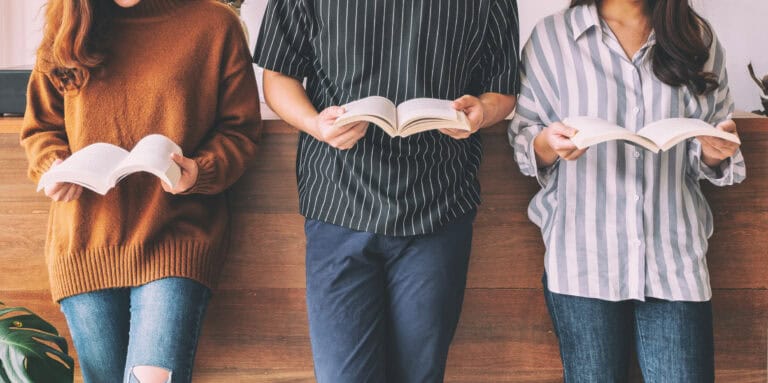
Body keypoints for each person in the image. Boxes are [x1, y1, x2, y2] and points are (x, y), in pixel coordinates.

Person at [254, 1, 519, 381]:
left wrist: (482, 111)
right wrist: (315, 124)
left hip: (439, 205)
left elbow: (501, 89)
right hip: (338, 200)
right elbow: (278, 76)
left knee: (420, 376)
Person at [20, 0, 260, 382]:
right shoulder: (68, 23)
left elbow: (240, 129)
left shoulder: (214, 24)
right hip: (85, 244)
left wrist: (199, 171)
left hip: (175, 239)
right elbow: (41, 128)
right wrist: (54, 166)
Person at [509, 0, 745, 381]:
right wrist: (547, 144)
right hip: (581, 261)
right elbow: (523, 139)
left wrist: (716, 152)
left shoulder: (695, 36)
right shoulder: (552, 38)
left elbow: (711, 142)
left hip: (674, 261)